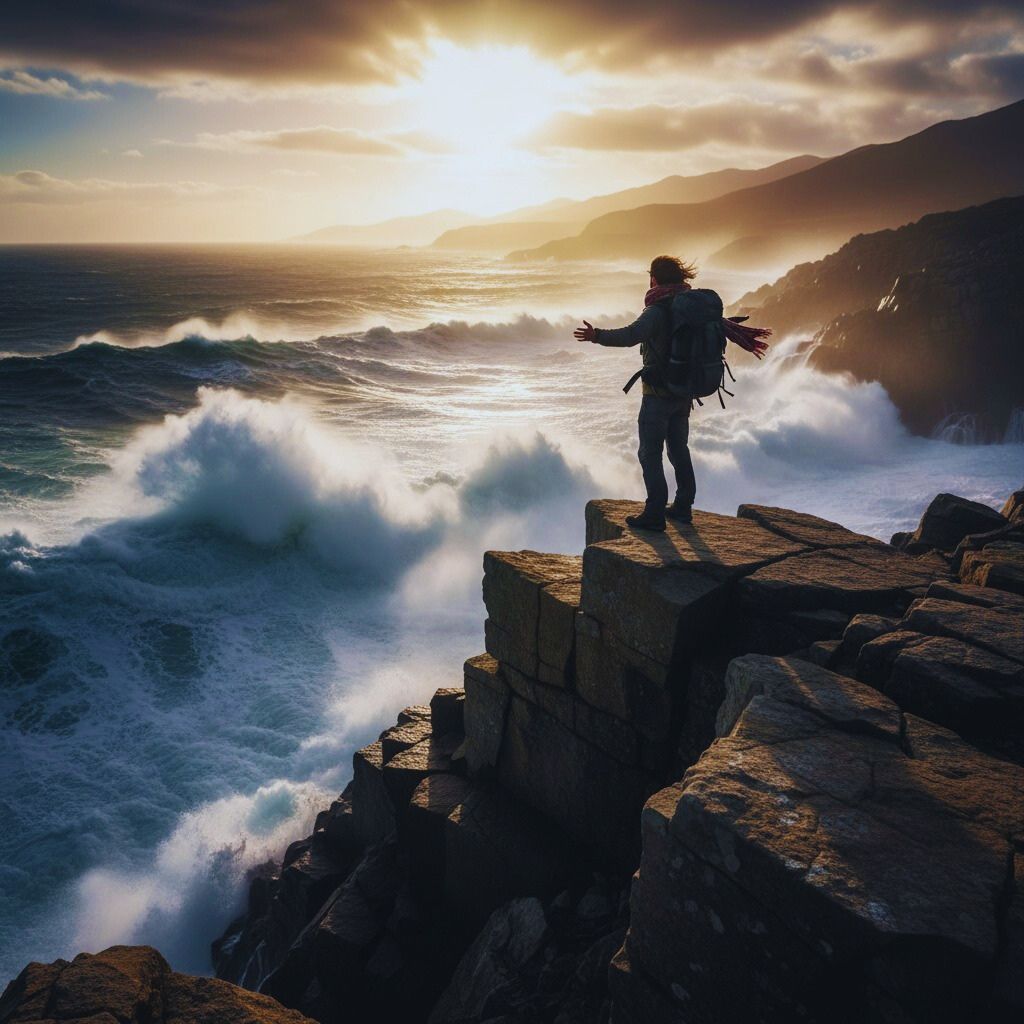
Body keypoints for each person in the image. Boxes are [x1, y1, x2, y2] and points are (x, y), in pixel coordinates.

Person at [573, 255, 770, 532]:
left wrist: (597, 335)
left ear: (654, 279)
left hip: (658, 393)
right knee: (678, 449)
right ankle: (682, 507)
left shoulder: (657, 310)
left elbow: (631, 335)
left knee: (649, 452)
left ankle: (654, 512)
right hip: (684, 391)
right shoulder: (690, 308)